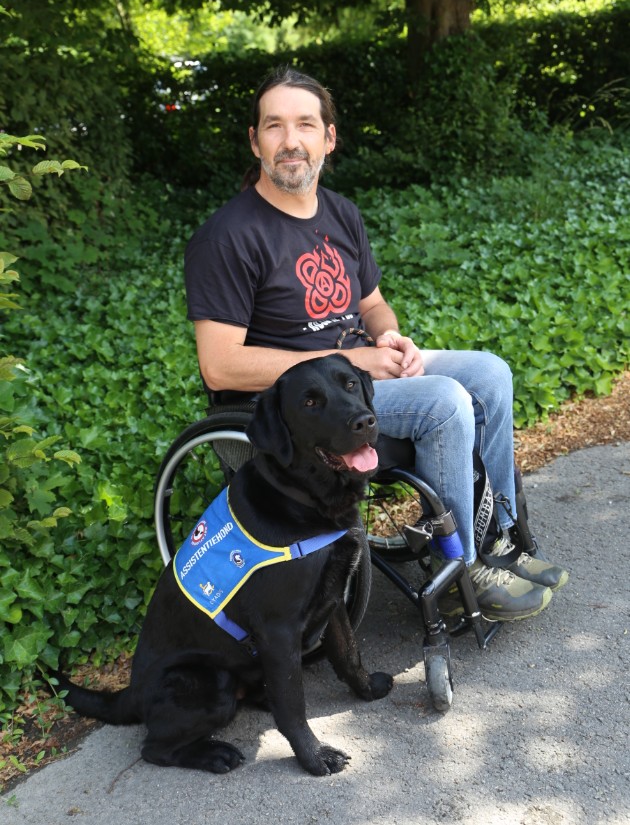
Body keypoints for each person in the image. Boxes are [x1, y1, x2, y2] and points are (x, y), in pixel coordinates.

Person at [184, 66, 568, 622]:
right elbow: (220, 367)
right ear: (255, 140)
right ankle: (458, 567)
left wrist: (387, 334)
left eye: (305, 125)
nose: (291, 141)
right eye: (274, 126)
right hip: (295, 405)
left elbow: (371, 304)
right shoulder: (228, 236)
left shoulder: (340, 213)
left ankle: (499, 537)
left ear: (329, 137)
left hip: (355, 377)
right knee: (445, 403)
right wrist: (348, 361)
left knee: (490, 372)